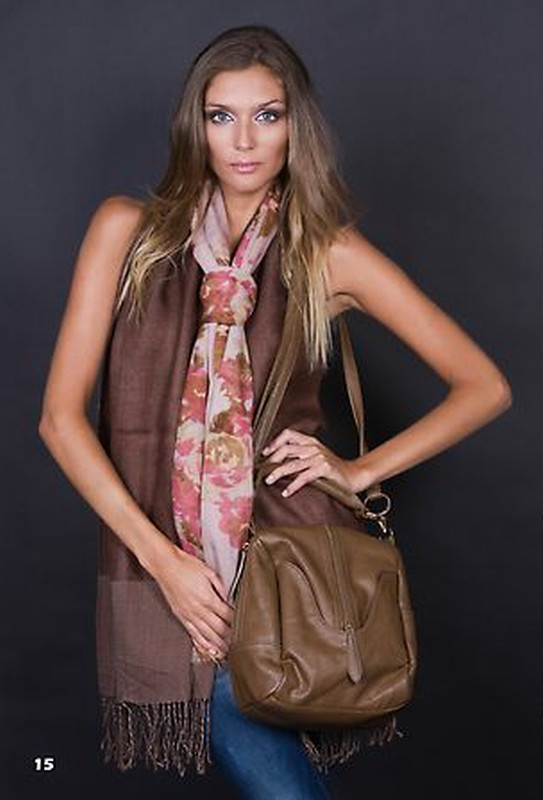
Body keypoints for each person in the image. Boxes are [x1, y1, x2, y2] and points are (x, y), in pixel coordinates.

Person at [38, 24, 512, 800]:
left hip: (284, 569)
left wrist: (355, 470)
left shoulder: (327, 252)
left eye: (267, 115)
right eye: (221, 116)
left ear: (297, 126)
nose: (243, 140)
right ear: (195, 126)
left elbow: (483, 385)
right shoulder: (125, 232)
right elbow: (60, 420)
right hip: (165, 563)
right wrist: (165, 563)